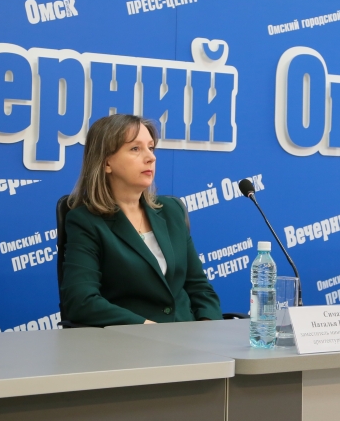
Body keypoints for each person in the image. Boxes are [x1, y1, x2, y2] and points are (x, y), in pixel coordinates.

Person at [61, 114, 223, 326]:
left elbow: (199, 288)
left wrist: (208, 327)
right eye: (135, 149)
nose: (151, 158)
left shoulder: (171, 211)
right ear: (106, 162)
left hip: (187, 336)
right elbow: (81, 301)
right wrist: (147, 328)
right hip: (131, 341)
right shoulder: (86, 221)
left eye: (151, 148)